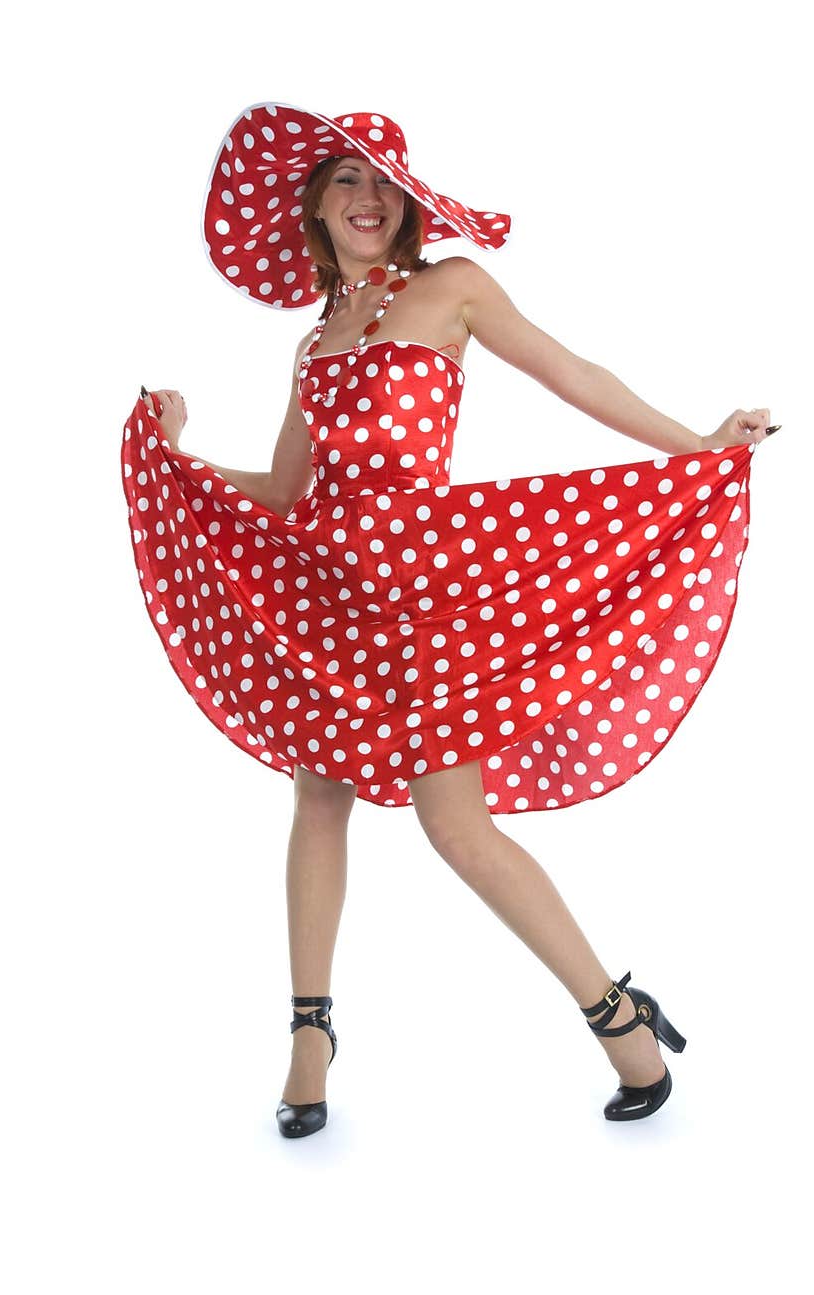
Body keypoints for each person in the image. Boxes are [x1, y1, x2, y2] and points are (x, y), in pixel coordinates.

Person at [121, 104, 776, 1139]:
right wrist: (176, 458)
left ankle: (616, 1013)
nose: (365, 198)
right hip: (331, 597)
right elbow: (287, 492)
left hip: (428, 599)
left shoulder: (451, 290)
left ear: (410, 204)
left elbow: (577, 375)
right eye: (344, 180)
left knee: (454, 824)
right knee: (321, 798)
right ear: (315, 207)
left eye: (381, 181)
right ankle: (308, 1037)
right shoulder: (314, 341)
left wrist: (694, 443)